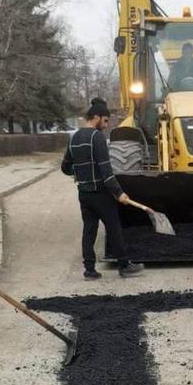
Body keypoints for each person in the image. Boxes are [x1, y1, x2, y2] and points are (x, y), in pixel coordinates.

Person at [61, 98, 144, 280]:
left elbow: (65, 168)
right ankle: (124, 265)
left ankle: (89, 270)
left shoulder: (73, 138)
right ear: (96, 117)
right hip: (100, 194)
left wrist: (80, 170)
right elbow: (106, 172)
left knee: (89, 230)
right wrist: (119, 193)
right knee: (114, 227)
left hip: (83, 194)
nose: (106, 125)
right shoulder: (96, 137)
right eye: (105, 121)